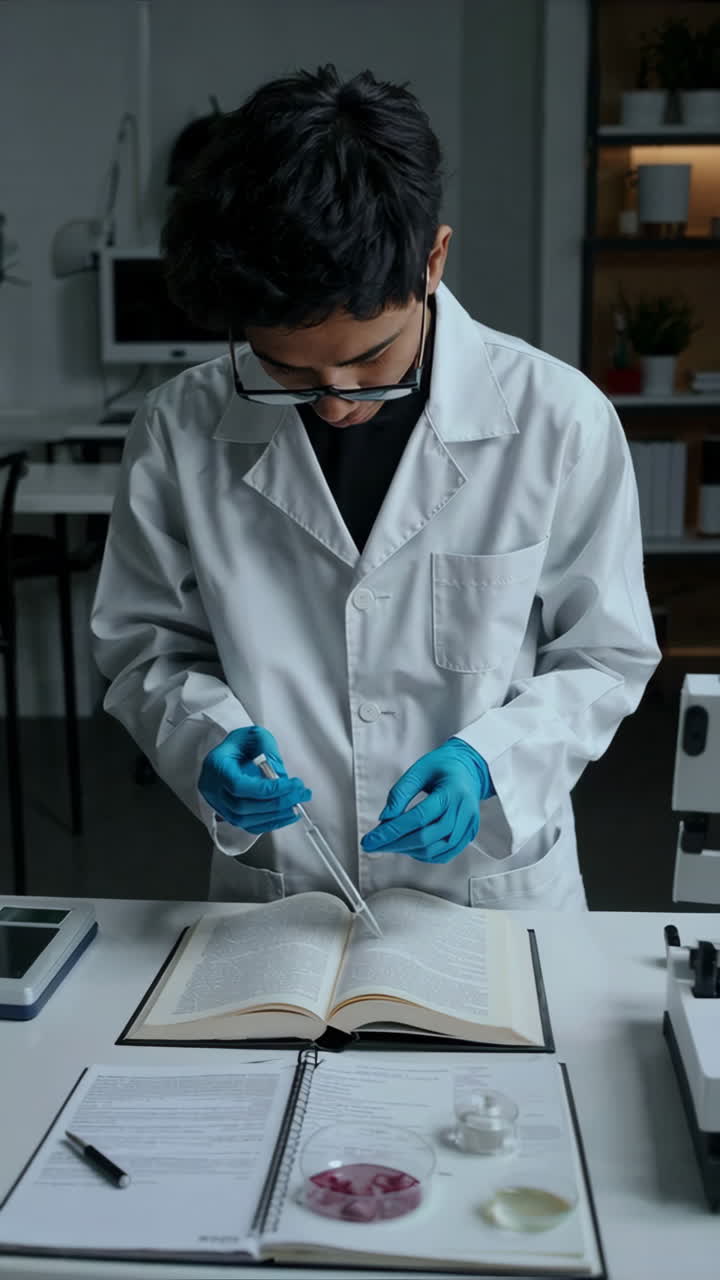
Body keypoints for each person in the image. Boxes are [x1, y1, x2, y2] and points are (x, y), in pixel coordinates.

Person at [91, 64, 660, 910]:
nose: (333, 401)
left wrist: (489, 761)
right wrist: (208, 738)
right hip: (285, 886)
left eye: (368, 362)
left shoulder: (557, 421)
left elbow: (605, 654)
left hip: (487, 890)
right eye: (284, 368)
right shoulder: (180, 428)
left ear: (433, 258)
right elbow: (148, 646)